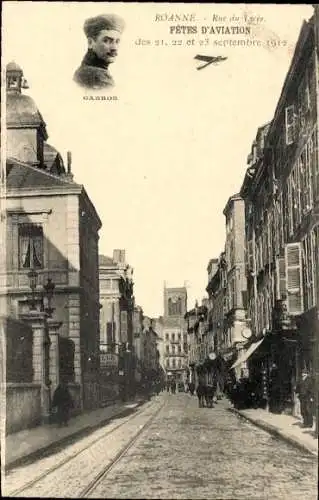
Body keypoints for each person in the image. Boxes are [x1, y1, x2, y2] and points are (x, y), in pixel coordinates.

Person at [73, 14, 125, 90]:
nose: (114, 48)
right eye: (106, 41)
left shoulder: (84, 70)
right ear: (90, 43)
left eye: (117, 41)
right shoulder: (99, 78)